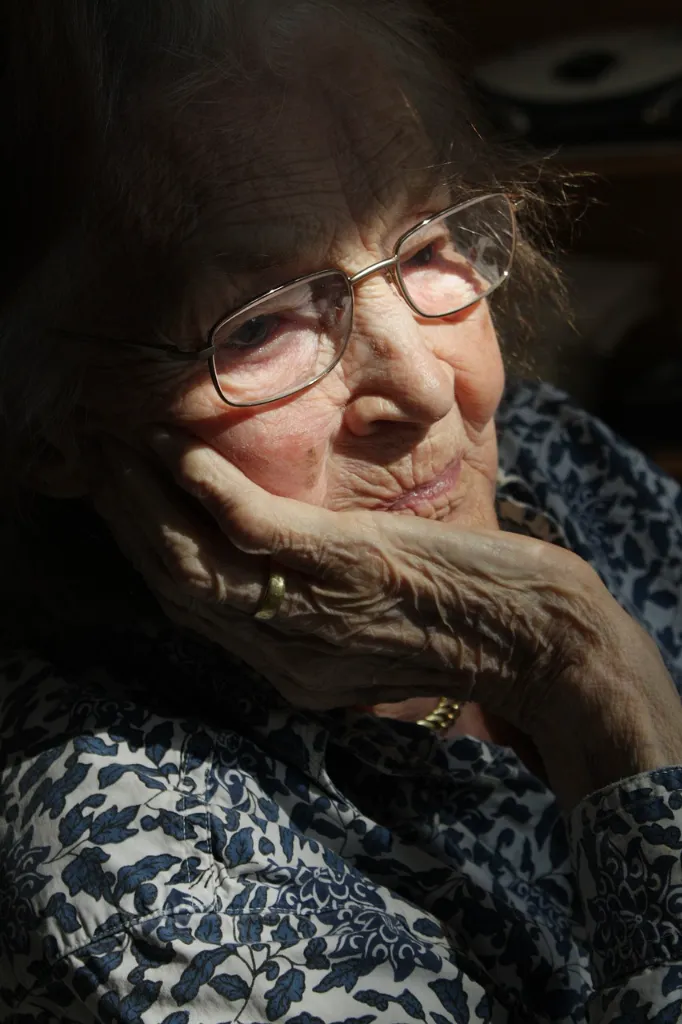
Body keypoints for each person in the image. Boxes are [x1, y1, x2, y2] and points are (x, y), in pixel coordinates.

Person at [1, 2, 682, 1021]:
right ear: (52, 420)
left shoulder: (550, 455)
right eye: (263, 322)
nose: (422, 383)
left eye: (424, 247)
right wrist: (585, 680)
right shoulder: (120, 845)